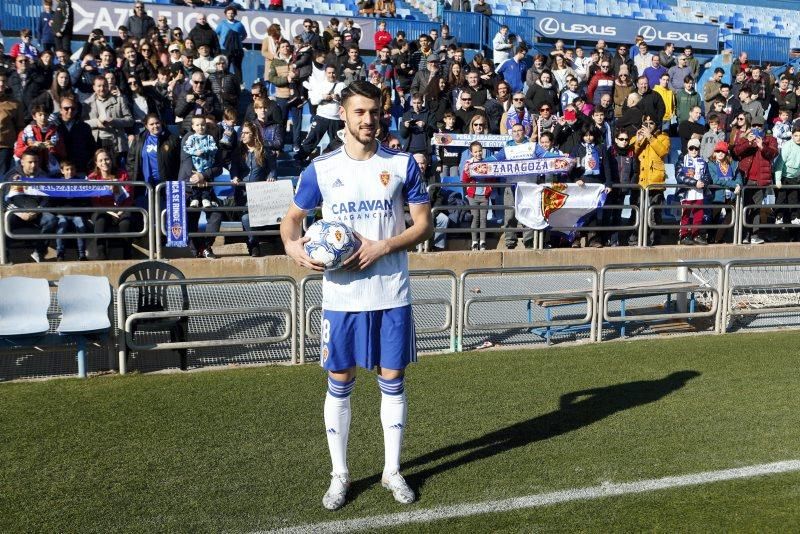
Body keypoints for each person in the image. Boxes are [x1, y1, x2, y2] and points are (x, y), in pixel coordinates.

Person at [280, 80, 432, 511]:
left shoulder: (402, 164)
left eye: (375, 112)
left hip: (391, 292)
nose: (369, 120)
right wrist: (294, 248)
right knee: (340, 383)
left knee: (393, 382)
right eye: (360, 112)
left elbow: (423, 225)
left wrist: (383, 246)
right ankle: (340, 475)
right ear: (342, 115)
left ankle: (391, 471)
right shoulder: (321, 170)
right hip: (342, 300)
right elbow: (291, 222)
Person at [3, 148, 57, 263]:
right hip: (17, 212)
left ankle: (38, 252)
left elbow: (47, 199)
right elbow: (4, 200)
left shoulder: (43, 176)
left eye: (36, 162)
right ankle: (4, 256)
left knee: (51, 220)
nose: (33, 165)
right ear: (22, 162)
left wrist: (38, 210)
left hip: (36, 212)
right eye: (30, 162)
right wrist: (19, 213)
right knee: (3, 222)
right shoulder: (11, 175)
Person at [232, 122, 276, 257]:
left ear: (254, 135)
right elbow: (234, 168)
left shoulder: (264, 150)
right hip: (242, 193)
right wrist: (234, 176)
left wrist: (271, 177)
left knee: (247, 218)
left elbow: (272, 168)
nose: (243, 135)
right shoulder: (239, 151)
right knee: (245, 217)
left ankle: (253, 244)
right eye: (242, 133)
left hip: (258, 193)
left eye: (246, 133)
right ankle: (253, 245)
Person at [87, 148, 136, 260]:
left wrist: (121, 210)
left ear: (111, 160)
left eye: (107, 159)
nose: (104, 163)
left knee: (125, 223)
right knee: (100, 221)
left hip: (121, 208)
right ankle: (102, 256)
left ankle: (127, 255)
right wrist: (108, 211)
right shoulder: (92, 178)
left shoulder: (122, 174)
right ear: (96, 163)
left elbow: (129, 195)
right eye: (101, 160)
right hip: (103, 210)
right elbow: (94, 201)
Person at [633, 115, 670, 245]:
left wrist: (650, 137)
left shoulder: (663, 137)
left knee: (655, 214)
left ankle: (655, 242)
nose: (648, 125)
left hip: (656, 182)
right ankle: (640, 240)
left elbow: (663, 152)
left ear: (656, 124)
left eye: (651, 122)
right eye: (645, 122)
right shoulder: (640, 136)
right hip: (641, 182)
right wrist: (638, 140)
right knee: (640, 212)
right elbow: (635, 153)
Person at [675, 138, 709, 245]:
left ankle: (696, 235)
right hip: (686, 192)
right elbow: (679, 176)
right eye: (691, 148)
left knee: (699, 214)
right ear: (687, 149)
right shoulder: (682, 160)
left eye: (696, 148)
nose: (694, 150)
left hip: (699, 192)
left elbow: (708, 176)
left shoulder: (703, 161)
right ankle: (684, 235)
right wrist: (695, 183)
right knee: (685, 214)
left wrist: (703, 182)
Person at [52, 159, 88, 261]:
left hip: (77, 214)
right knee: (61, 227)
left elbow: (85, 199)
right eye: (67, 169)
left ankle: (82, 254)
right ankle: (60, 254)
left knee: (81, 226)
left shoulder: (81, 183)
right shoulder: (56, 184)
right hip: (61, 214)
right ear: (62, 171)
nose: (70, 172)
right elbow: (53, 200)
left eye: (72, 169)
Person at [708, 141, 741, 244]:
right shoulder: (711, 164)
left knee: (731, 218)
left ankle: (718, 238)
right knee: (714, 218)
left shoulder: (733, 164)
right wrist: (733, 184)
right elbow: (715, 180)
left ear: (726, 152)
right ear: (714, 153)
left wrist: (738, 185)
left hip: (731, 196)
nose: (720, 153)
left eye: (722, 151)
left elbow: (739, 178)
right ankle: (711, 239)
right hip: (717, 195)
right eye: (718, 151)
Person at [461, 140, 492, 250]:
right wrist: (469, 171)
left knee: (483, 218)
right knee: (476, 218)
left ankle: (482, 241)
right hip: (472, 196)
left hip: (484, 195)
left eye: (480, 151)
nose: (478, 153)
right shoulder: (468, 163)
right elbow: (464, 180)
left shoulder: (487, 163)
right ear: (471, 153)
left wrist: (490, 186)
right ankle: (474, 241)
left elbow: (492, 178)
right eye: (475, 152)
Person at [183, 115, 218, 208]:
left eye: (202, 125)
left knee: (206, 184)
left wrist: (205, 150)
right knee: (195, 184)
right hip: (196, 167)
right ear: (193, 127)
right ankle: (195, 199)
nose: (200, 127)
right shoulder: (191, 138)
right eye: (197, 125)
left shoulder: (209, 138)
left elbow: (214, 148)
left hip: (207, 166)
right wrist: (195, 152)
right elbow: (186, 148)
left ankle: (206, 199)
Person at [0, 73, 25, 177]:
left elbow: (20, 127)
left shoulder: (14, 104)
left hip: (5, 146)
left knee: (2, 177)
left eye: (4, 81)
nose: (1, 84)